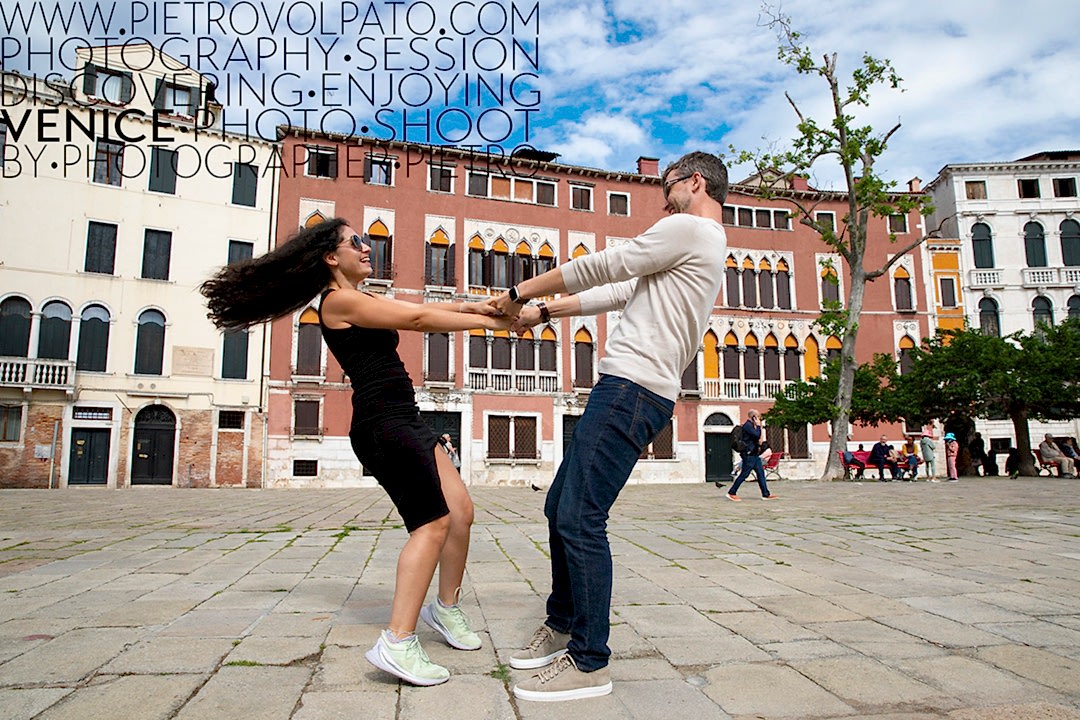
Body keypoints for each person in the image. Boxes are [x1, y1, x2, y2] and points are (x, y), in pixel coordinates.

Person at [200, 218, 512, 686]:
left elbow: (418, 306)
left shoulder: (359, 297)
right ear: (331, 256)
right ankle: (397, 642)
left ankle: (445, 610)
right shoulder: (338, 301)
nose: (368, 248)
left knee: (461, 511)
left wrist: (479, 306)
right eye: (356, 242)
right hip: (381, 422)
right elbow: (418, 320)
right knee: (433, 523)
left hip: (405, 416)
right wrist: (493, 322)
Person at [490, 152, 730, 702]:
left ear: (695, 182)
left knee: (580, 517)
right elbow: (622, 291)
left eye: (667, 186)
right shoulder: (703, 244)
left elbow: (607, 265)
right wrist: (548, 313)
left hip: (632, 390)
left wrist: (519, 293)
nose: (662, 197)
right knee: (559, 507)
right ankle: (564, 622)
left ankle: (590, 659)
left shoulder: (690, 228)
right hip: (628, 391)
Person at [726, 410, 778, 501]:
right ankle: (731, 492)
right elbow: (757, 435)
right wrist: (758, 426)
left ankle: (766, 494)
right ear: (753, 417)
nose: (759, 419)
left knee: (761, 474)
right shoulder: (748, 426)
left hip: (754, 454)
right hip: (749, 454)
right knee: (744, 474)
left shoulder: (751, 426)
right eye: (757, 417)